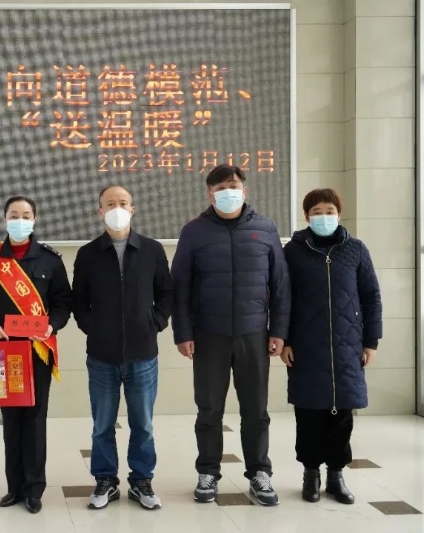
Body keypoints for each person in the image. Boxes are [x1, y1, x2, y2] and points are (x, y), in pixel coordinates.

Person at [171, 164, 290, 506]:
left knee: (256, 409)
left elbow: (280, 284)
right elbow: (180, 286)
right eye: (220, 187)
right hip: (209, 334)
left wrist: (279, 330)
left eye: (233, 186)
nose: (228, 192)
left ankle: (259, 473)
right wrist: (183, 332)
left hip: (254, 334)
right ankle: (208, 472)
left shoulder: (265, 228)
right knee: (209, 409)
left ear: (245, 190)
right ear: (210, 194)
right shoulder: (194, 231)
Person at [0, 196, 72, 514]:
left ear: (34, 220)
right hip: (0, 352)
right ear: (5, 220)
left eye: (26, 215)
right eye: (14, 215)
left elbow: (63, 303)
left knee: (35, 419)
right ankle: (14, 487)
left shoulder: (51, 260)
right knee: (10, 420)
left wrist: (52, 326)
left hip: (38, 350)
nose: (20, 220)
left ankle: (34, 488)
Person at [72, 185, 172, 511]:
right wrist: (93, 326)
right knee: (102, 424)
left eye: (123, 202)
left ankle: (141, 480)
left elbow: (166, 293)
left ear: (133, 209)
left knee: (143, 424)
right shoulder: (88, 254)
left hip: (143, 354)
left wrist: (156, 322)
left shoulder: (152, 250)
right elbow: (78, 301)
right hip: (101, 355)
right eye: (110, 203)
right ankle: (106, 480)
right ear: (100, 211)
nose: (117, 208)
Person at [280, 188, 381, 505]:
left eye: (329, 211)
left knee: (342, 415)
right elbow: (282, 299)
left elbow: (371, 297)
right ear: (306, 215)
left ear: (339, 213)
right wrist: (284, 340)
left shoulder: (356, 249)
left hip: (347, 346)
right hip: (306, 346)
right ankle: (311, 474)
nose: (323, 217)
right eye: (316, 212)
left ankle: (336, 475)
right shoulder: (293, 251)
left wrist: (371, 341)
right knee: (309, 413)